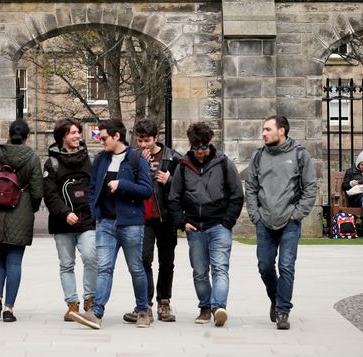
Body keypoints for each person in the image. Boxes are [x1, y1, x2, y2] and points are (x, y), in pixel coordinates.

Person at [70, 118, 152, 330]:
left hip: (131, 224)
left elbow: (146, 190)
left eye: (104, 137)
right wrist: (94, 212)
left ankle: (143, 310)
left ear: (117, 136)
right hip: (106, 223)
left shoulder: (136, 158)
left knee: (136, 268)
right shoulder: (101, 159)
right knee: (105, 268)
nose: (101, 141)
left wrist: (122, 184)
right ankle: (96, 312)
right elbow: (93, 187)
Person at [244, 115, 318, 331]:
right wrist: (255, 215)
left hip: (289, 222)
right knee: (265, 267)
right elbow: (250, 186)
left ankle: (283, 311)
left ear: (282, 131)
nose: (263, 133)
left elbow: (310, 187)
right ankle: (276, 300)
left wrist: (297, 214)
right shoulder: (258, 156)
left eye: (267, 129)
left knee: (286, 266)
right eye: (263, 129)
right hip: (264, 221)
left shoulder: (299, 154)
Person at [167, 121, 243, 327]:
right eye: (196, 147)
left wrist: (228, 221)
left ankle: (219, 307)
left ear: (209, 144)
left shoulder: (224, 163)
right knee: (200, 272)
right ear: (190, 146)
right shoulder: (183, 167)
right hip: (195, 228)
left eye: (204, 147)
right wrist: (182, 222)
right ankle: (205, 308)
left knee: (220, 268)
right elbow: (174, 198)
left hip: (219, 226)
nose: (200, 152)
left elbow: (237, 194)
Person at [0, 119, 43, 323]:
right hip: (20, 212)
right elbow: (37, 190)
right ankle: (8, 309)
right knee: (14, 262)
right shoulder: (32, 157)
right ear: (27, 135)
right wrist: (29, 208)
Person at [120, 118, 181, 324]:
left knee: (166, 262)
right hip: (142, 218)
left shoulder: (172, 158)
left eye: (147, 140)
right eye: (140, 140)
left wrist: (170, 181)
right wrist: (142, 165)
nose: (143, 145)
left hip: (166, 217)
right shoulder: (133, 158)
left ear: (156, 138)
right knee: (144, 260)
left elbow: (184, 187)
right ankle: (145, 305)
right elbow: (127, 184)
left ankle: (164, 301)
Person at [43, 118, 97, 321]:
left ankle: (90, 300)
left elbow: (96, 189)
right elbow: (50, 195)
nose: (77, 136)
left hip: (88, 221)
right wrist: (65, 213)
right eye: (72, 133)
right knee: (66, 264)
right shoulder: (52, 163)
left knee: (91, 257)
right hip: (62, 222)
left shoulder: (91, 160)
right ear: (62, 137)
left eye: (78, 132)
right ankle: (72, 305)